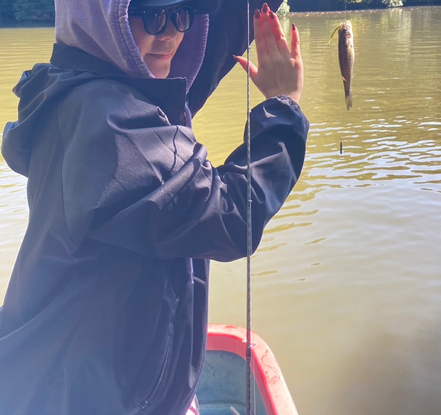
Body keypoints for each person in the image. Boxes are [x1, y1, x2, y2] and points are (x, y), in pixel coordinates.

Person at [0, 0, 308, 413]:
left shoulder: (95, 85)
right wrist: (284, 110)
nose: (170, 35)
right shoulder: (107, 123)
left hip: (109, 379)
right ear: (102, 16)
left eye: (183, 14)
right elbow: (233, 216)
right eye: (150, 14)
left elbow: (192, 59)